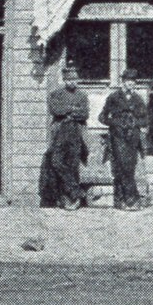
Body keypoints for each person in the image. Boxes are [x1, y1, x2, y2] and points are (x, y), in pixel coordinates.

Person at [99, 70, 148, 211]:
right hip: (118, 136)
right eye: (128, 81)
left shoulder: (138, 99)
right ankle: (132, 199)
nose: (131, 83)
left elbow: (145, 120)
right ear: (123, 82)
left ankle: (120, 199)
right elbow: (102, 117)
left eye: (133, 81)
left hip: (133, 137)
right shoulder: (113, 97)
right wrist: (115, 123)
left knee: (129, 167)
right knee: (122, 165)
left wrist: (135, 123)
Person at [46, 64, 90, 210]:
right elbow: (55, 110)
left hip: (75, 132)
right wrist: (72, 110)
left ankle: (71, 199)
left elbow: (84, 114)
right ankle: (76, 192)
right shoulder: (56, 94)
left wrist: (67, 111)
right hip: (60, 131)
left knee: (73, 164)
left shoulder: (82, 96)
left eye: (75, 79)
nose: (73, 82)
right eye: (70, 79)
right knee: (56, 161)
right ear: (64, 80)